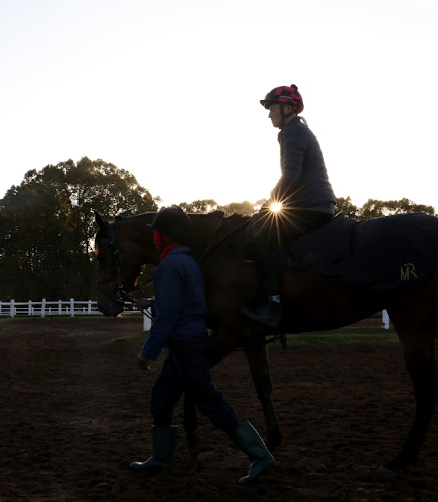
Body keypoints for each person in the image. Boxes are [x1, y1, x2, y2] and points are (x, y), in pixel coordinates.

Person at [131, 206, 274, 484]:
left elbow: (170, 315)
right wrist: (151, 303)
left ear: (164, 235)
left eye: (156, 233)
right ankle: (161, 458)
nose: (154, 239)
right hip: (188, 341)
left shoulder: (169, 265)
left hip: (184, 344)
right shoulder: (187, 262)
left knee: (208, 400)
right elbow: (180, 302)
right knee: (161, 398)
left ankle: (259, 455)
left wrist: (148, 351)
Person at [242, 84, 337, 327]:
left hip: (311, 206)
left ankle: (272, 305)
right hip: (314, 204)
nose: (269, 114)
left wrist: (268, 205)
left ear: (287, 108)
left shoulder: (292, 132)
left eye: (272, 108)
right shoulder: (297, 130)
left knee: (262, 237)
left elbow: (290, 177)